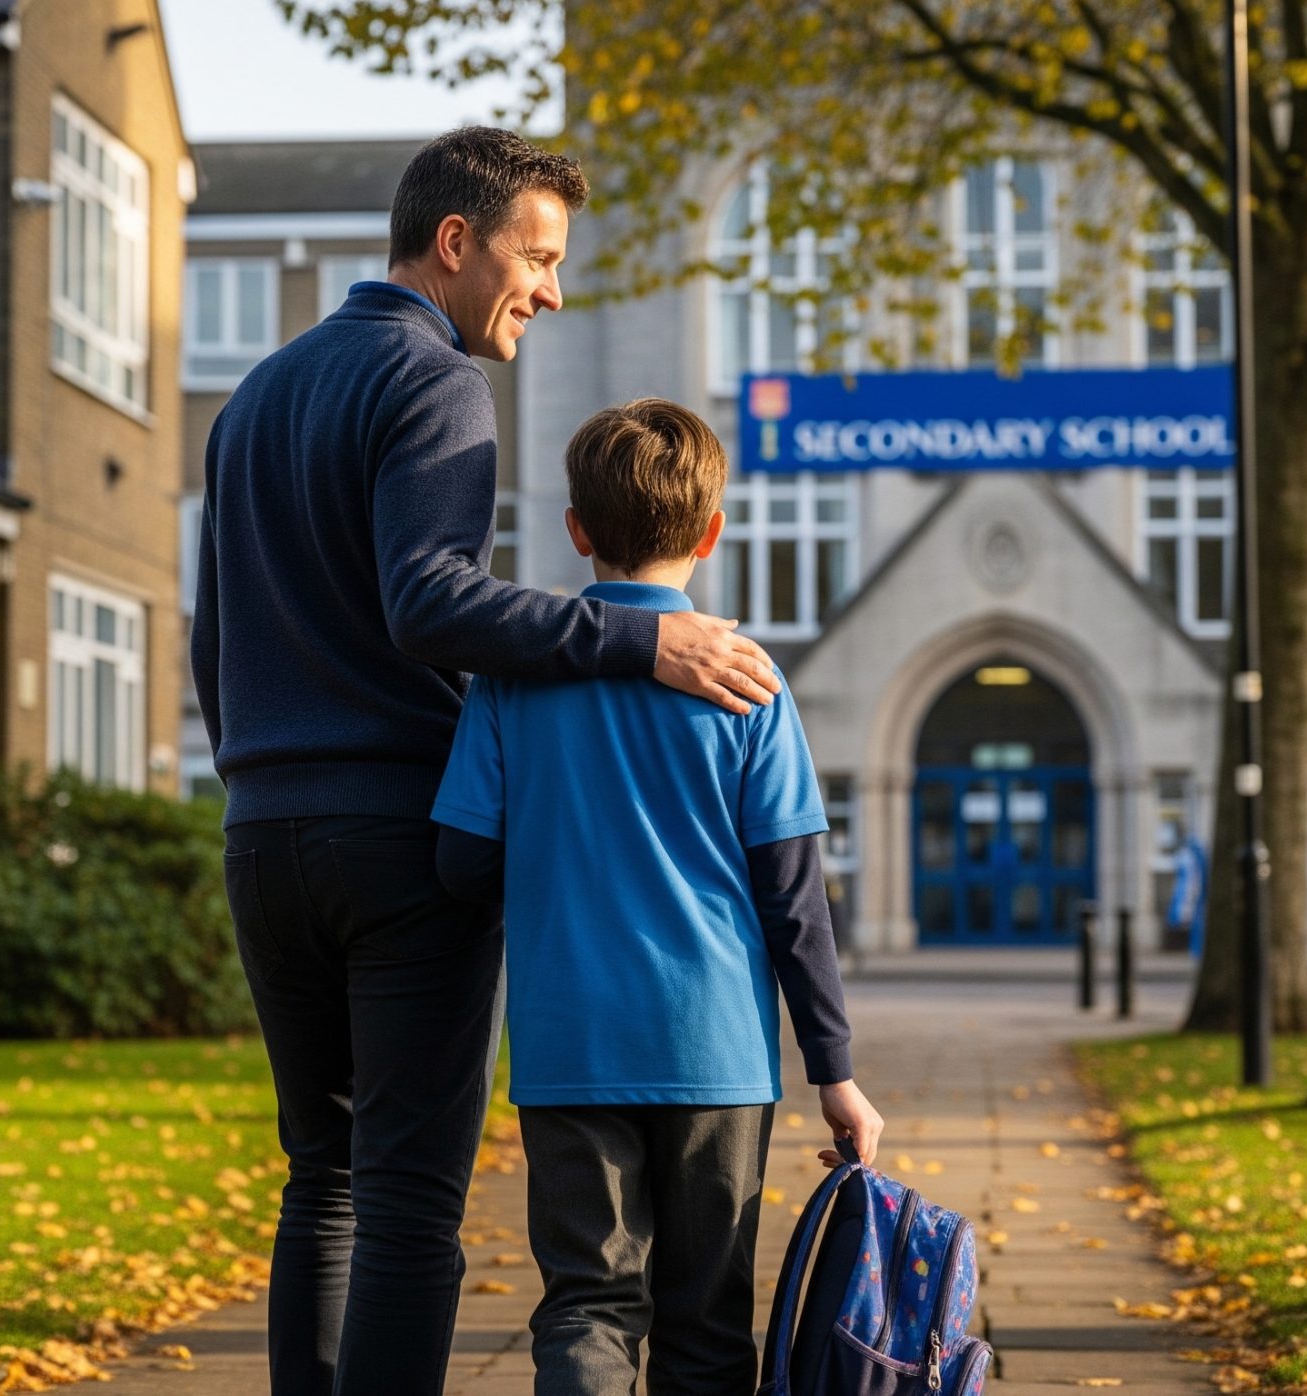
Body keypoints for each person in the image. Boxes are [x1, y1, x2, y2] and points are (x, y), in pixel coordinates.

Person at [191, 128, 781, 1396]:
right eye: (539, 256)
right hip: (398, 839)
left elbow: (213, 640)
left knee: (324, 1178)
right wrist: (641, 645)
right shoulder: (438, 380)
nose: (551, 292)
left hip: (264, 835)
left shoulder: (254, 397)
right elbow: (429, 602)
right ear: (456, 244)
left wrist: (263, 781)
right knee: (406, 1201)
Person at [430, 399, 885, 1395]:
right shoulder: (749, 681)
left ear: (577, 530)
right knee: (708, 1320)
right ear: (712, 532)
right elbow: (794, 895)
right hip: (715, 1052)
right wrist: (834, 1069)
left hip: (569, 1045)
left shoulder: (515, 679)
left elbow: (460, 862)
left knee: (588, 1304)